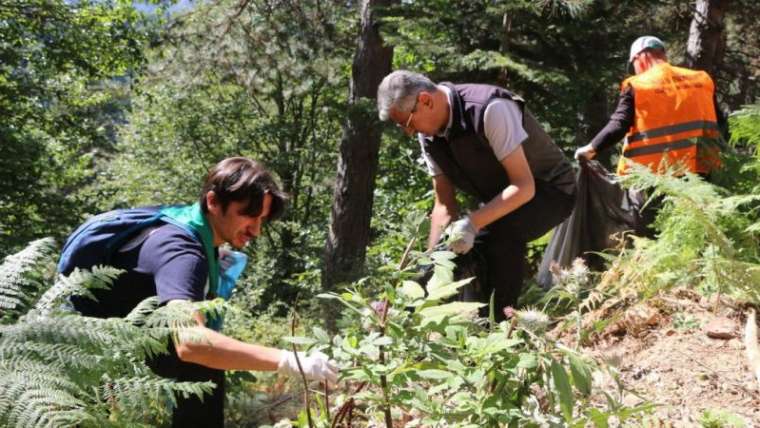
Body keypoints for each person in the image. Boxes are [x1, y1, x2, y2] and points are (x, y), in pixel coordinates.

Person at [65, 157, 337, 427]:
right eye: (248, 215)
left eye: (262, 219)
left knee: (206, 363)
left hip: (114, 338)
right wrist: (288, 360)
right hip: (85, 351)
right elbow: (191, 343)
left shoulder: (197, 236)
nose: (256, 230)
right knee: (203, 360)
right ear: (213, 202)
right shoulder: (183, 252)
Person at [376, 70, 576, 320]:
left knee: (498, 233)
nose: (408, 131)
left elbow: (524, 186)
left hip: (551, 189)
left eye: (406, 123)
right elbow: (444, 206)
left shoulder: (490, 109)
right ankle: (410, 317)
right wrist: (430, 261)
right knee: (450, 254)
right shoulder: (428, 137)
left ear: (426, 100)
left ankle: (501, 329)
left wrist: (473, 223)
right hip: (504, 200)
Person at [574, 35, 724, 176]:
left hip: (652, 175)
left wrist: (591, 148)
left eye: (633, 65)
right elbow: (721, 122)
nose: (635, 71)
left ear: (641, 57)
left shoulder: (637, 85)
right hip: (701, 172)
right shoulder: (702, 80)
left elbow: (619, 124)